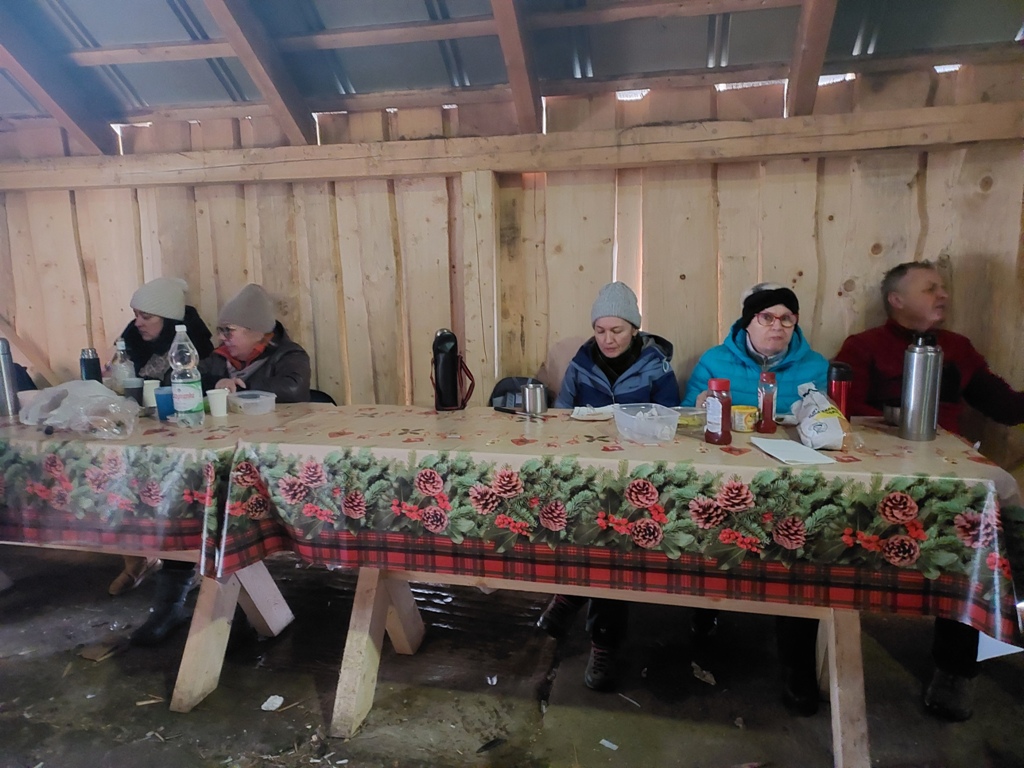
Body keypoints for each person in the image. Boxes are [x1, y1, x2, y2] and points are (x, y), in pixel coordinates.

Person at [835, 260, 1024, 721]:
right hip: (881, 473)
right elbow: (845, 411)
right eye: (930, 288)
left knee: (977, 538)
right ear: (897, 300)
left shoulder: (956, 348)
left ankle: (956, 668)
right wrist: (898, 411)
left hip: (947, 471)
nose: (942, 295)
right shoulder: (863, 347)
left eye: (943, 288)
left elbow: (1004, 406)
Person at [131, 283, 312, 647]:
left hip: (264, 467)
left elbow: (293, 390)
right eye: (221, 330)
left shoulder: (290, 355)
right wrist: (220, 381)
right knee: (184, 505)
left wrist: (237, 385)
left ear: (256, 331)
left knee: (232, 519)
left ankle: (239, 613)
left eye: (229, 330)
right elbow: (177, 379)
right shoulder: (218, 359)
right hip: (218, 457)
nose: (222, 337)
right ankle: (169, 608)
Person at [683, 283, 829, 715]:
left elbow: (826, 420)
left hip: (788, 477)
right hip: (722, 474)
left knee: (802, 545)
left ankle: (797, 662)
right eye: (766, 317)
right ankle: (703, 608)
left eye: (786, 318)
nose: (777, 326)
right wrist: (701, 404)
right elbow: (685, 416)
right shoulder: (714, 360)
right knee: (700, 519)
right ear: (748, 322)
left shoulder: (815, 365)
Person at [540, 281, 680, 691]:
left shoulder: (656, 366)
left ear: (634, 329)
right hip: (589, 469)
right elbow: (560, 417)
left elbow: (670, 421)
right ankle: (570, 592)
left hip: (639, 477)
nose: (608, 339)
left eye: (617, 330)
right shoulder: (581, 364)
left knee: (612, 540)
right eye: (600, 330)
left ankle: (599, 635)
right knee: (569, 518)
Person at [110, 277, 214, 598]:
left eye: (146, 316)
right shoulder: (131, 342)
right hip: (144, 428)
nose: (137, 323)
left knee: (171, 483)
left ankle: (182, 567)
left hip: (187, 434)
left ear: (168, 319)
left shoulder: (196, 346)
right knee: (119, 474)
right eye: (136, 315)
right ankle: (136, 557)